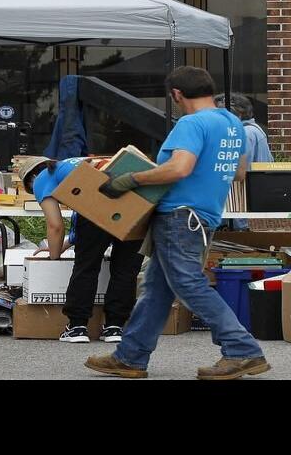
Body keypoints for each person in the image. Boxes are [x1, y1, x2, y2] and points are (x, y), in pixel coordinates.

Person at [86, 66, 269, 380]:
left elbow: (179, 169)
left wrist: (131, 179)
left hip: (180, 216)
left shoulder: (191, 122)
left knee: (188, 283)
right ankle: (130, 357)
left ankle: (242, 350)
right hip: (205, 214)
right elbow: (239, 173)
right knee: (157, 288)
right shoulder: (233, 124)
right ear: (210, 90)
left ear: (177, 94)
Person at [16, 155, 143, 343]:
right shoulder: (73, 164)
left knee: (87, 267)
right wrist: (68, 243)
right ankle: (114, 327)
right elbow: (80, 222)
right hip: (137, 204)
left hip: (97, 207)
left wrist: (54, 256)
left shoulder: (42, 178)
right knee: (125, 270)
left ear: (31, 179)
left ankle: (77, 327)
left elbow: (55, 225)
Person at [215, 93, 273, 230]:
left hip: (240, 212)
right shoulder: (254, 131)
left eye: (220, 114)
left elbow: (237, 172)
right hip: (247, 207)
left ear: (238, 114)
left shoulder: (245, 134)